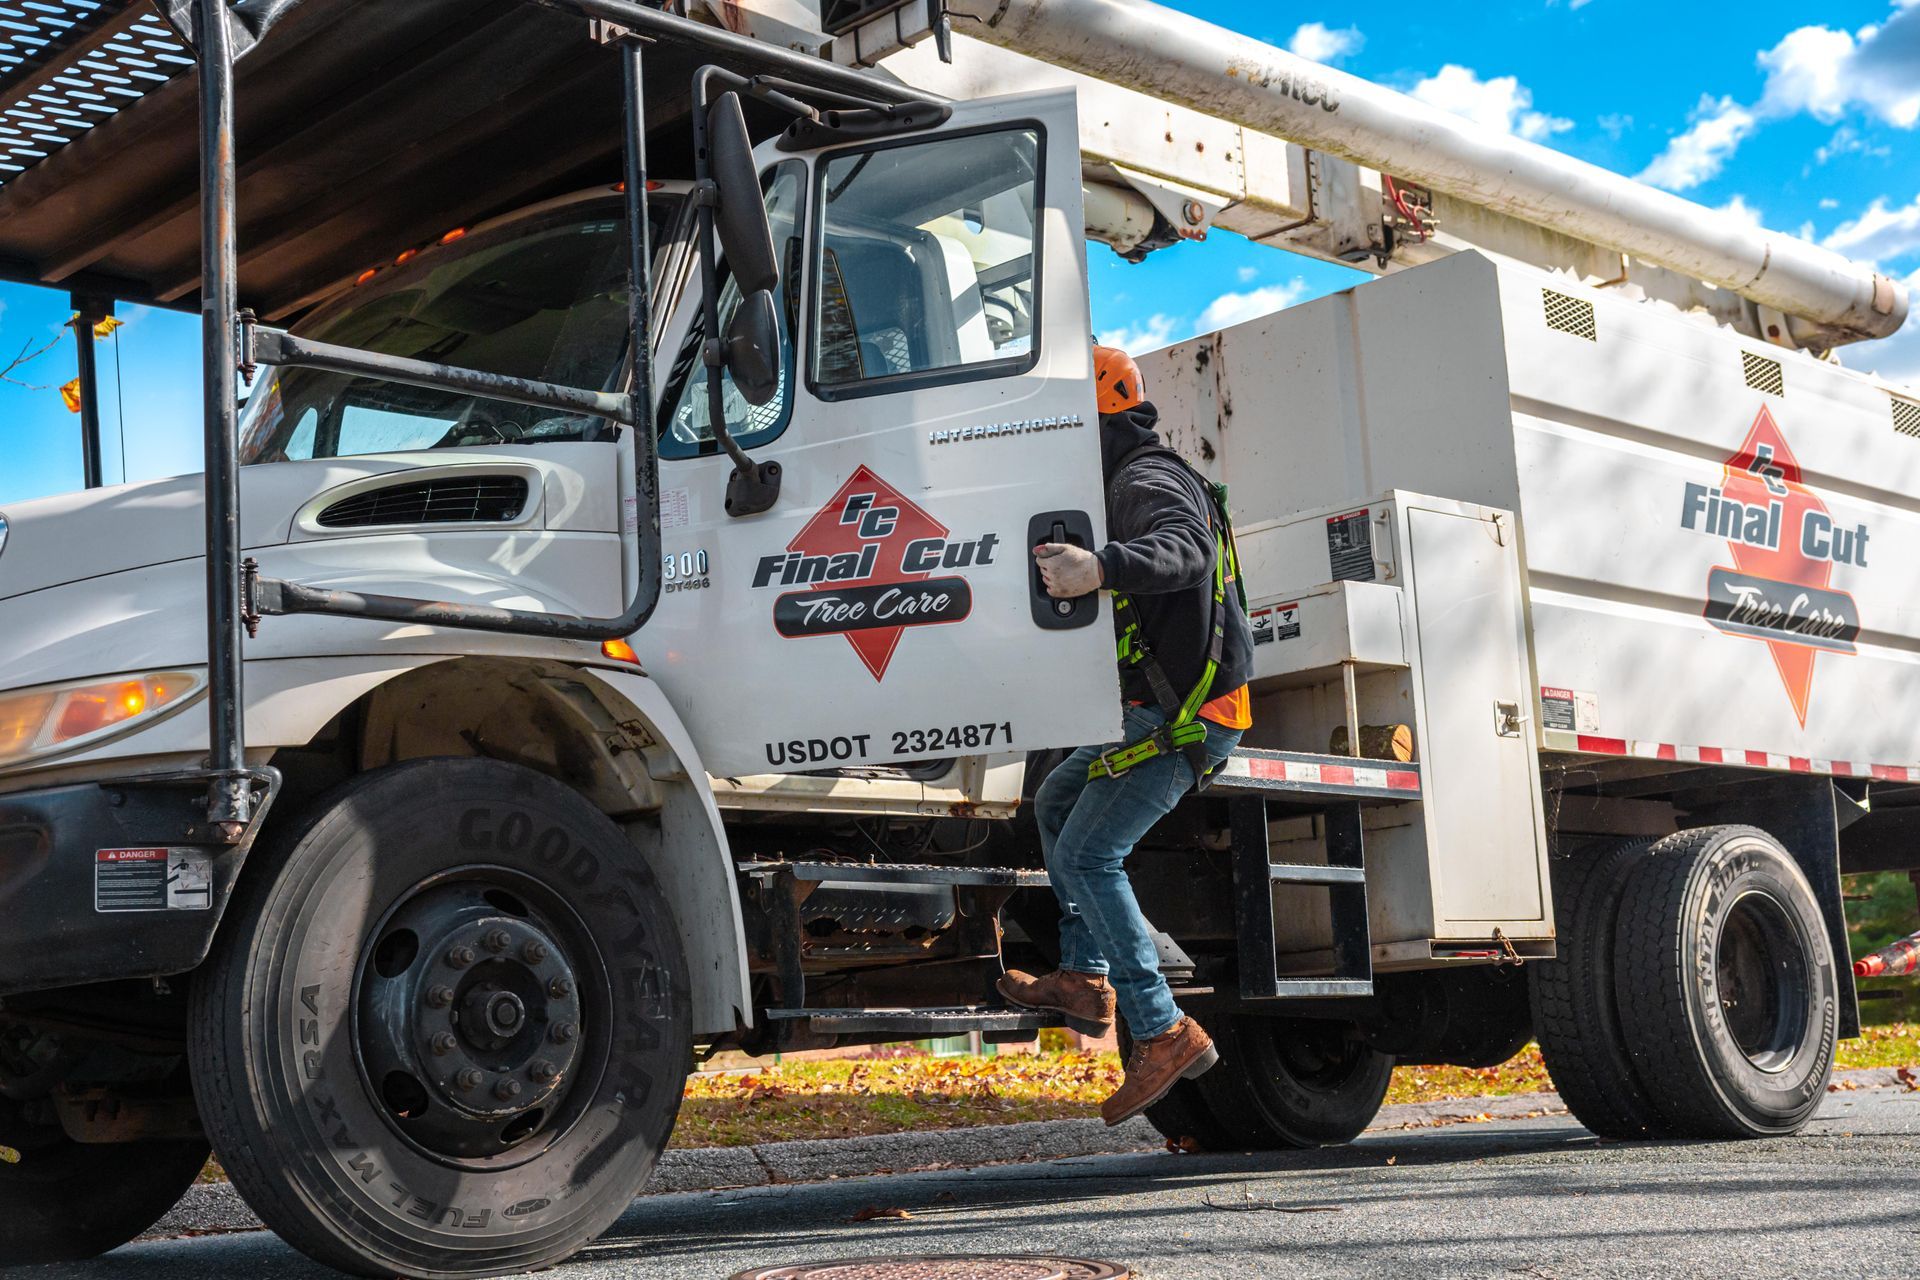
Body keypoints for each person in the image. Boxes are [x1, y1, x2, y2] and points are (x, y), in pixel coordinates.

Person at [1000, 344, 1254, 1125]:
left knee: (1086, 852)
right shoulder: (1124, 478)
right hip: (1155, 710)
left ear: (1097, 416)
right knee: (1057, 801)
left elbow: (1188, 551)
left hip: (1187, 719)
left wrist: (1101, 568)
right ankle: (1084, 975)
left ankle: (1162, 1029)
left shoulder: (1145, 478)